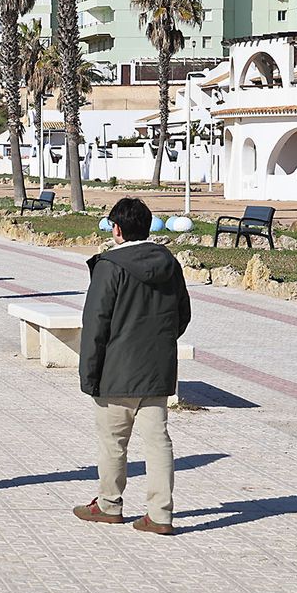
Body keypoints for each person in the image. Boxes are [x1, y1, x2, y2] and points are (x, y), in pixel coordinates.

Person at [73, 196, 191, 536]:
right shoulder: (169, 263)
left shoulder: (110, 266)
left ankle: (109, 504)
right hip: (157, 371)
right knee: (158, 443)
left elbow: (96, 324)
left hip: (117, 371)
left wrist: (89, 374)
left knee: (113, 441)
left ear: (118, 229)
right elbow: (182, 315)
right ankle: (160, 514)